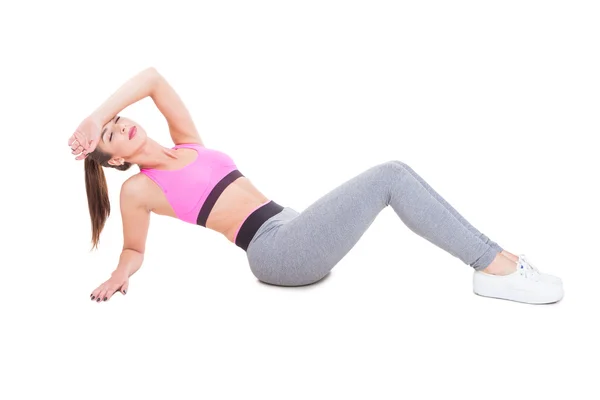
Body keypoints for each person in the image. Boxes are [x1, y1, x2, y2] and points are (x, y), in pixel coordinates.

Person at [69, 67, 564, 305]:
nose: (121, 128)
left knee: (394, 177)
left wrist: (94, 115)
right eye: (111, 136)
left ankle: (495, 263)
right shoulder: (141, 189)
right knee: (391, 175)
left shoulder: (189, 144)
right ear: (113, 159)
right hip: (276, 252)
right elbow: (134, 247)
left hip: (290, 222)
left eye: (118, 121)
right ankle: (496, 265)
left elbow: (153, 79)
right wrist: (120, 274)